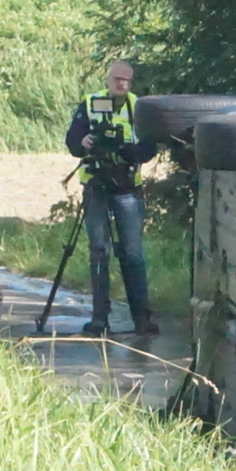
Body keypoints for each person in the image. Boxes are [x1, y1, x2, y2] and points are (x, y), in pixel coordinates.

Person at [65, 60, 160, 336]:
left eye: (126, 80)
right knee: (99, 250)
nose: (121, 84)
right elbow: (72, 141)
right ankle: (99, 319)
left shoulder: (138, 108)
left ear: (131, 82)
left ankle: (142, 318)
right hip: (96, 185)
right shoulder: (89, 103)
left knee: (132, 254)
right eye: (117, 79)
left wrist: (127, 150)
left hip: (126, 186)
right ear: (107, 79)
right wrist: (84, 143)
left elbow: (148, 148)